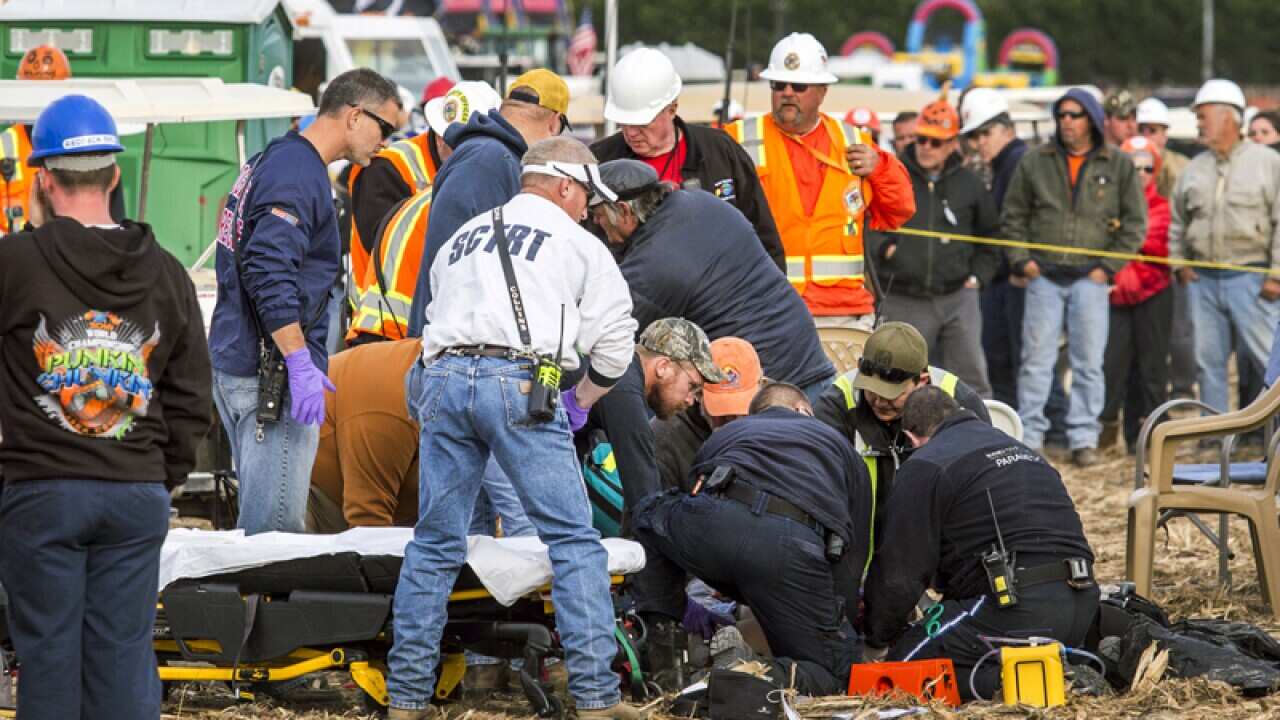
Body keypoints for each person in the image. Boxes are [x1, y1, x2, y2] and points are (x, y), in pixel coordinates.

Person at [387, 137, 645, 720]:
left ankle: (406, 698)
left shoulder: (460, 239)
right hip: (520, 383)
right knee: (576, 545)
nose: (589, 211)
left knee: (433, 545)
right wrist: (581, 398)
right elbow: (615, 342)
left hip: (444, 378)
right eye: (586, 198)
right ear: (564, 186)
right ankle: (598, 699)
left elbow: (432, 319)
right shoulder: (577, 243)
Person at [0, 94, 212, 720]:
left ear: (43, 178)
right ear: (114, 174)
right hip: (135, 491)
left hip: (42, 491)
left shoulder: (12, 264)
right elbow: (190, 393)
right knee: (122, 655)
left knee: (49, 656)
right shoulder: (169, 273)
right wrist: (158, 473)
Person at [209, 68, 400, 534]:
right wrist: (297, 360)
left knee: (261, 532)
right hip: (268, 377)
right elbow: (267, 264)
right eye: (386, 128)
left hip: (246, 364)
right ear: (355, 115)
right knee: (273, 540)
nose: (386, 144)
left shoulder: (278, 158)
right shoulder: (297, 172)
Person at [632, 382, 872, 697]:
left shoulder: (729, 434)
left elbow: (696, 490)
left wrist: (682, 598)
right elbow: (851, 561)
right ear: (803, 410)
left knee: (648, 516)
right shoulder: (838, 445)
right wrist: (831, 623)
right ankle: (749, 669)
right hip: (790, 543)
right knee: (833, 674)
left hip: (712, 520)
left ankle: (667, 659)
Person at [861, 387, 1098, 701]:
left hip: (1013, 607)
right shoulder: (1024, 451)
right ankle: (1075, 661)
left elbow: (899, 574)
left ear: (911, 437)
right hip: (1083, 605)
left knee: (897, 671)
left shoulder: (926, 464)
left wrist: (877, 638)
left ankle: (1012, 682)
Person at [592, 159, 835, 402]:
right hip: (806, 356)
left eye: (599, 214)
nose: (595, 222)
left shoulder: (656, 262)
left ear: (624, 210)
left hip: (761, 380)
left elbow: (613, 334)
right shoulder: (701, 202)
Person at [724, 32, 915, 329]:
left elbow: (900, 210)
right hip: (768, 306)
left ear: (823, 90)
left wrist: (880, 169)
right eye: (778, 85)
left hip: (844, 312)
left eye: (798, 85)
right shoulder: (737, 140)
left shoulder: (853, 141)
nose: (787, 92)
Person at [1001, 87, 1146, 466]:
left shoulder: (1118, 165)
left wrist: (1107, 268)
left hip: (1090, 279)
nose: (1067, 121)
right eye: (1062, 114)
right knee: (1036, 359)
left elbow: (1135, 225)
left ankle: (1083, 439)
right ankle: (1030, 438)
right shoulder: (1035, 161)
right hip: (1044, 276)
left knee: (1088, 362)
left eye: (1075, 114)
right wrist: (1023, 262)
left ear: (1093, 120)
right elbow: (1012, 217)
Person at [406, 69, 572, 336]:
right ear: (554, 123)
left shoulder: (487, 157)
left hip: (451, 346)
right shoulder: (491, 162)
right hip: (454, 352)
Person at [591, 48, 785, 270]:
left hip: (716, 298)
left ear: (672, 109)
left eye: (642, 123)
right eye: (623, 122)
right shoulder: (598, 163)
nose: (631, 132)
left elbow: (762, 236)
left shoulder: (719, 152)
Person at [346, 82, 502, 344]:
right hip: (382, 323)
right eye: (444, 135)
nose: (447, 142)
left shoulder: (475, 172)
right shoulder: (387, 167)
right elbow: (387, 251)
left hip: (434, 324)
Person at [868, 97, 999, 397]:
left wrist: (977, 276)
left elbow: (992, 236)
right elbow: (868, 222)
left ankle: (980, 439)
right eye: (921, 138)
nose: (926, 146)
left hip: (957, 296)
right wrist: (888, 251)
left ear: (953, 143)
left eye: (936, 142)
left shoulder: (970, 183)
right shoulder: (894, 174)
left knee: (972, 380)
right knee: (893, 379)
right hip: (903, 296)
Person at [1169, 79, 1280, 415]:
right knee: (1209, 363)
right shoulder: (1194, 168)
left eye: (1203, 115)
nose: (1199, 123)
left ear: (1228, 117)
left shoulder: (1268, 163)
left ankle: (1274, 436)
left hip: (1252, 277)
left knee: (1270, 362)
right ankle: (1214, 435)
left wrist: (1275, 274)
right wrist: (1181, 266)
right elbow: (1178, 222)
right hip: (1202, 279)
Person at [813, 322, 990, 512]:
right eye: (871, 390)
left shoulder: (960, 403)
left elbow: (982, 485)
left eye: (891, 394)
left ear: (921, 381)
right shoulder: (836, 406)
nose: (879, 402)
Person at [575, 317, 724, 529]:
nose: (691, 400)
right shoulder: (622, 388)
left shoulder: (619, 367)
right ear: (663, 366)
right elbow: (645, 500)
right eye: (691, 386)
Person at [1099, 137, 1174, 453]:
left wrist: (1121, 237)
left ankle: (1157, 434)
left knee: (1153, 368)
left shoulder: (1162, 207)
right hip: (1114, 296)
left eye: (1147, 166)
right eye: (1133, 165)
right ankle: (1115, 431)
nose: (1140, 172)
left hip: (1153, 294)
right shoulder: (1106, 203)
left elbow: (1152, 241)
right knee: (1113, 366)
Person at [961, 88, 1029, 408]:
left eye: (986, 133)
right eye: (975, 136)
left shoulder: (1017, 162)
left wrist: (1018, 265)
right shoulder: (1004, 164)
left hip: (1013, 277)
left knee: (1015, 357)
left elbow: (1015, 222)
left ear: (1007, 130)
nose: (980, 143)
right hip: (1003, 275)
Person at [1136, 96, 1196, 400]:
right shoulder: (1126, 161)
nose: (1149, 135)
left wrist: (1182, 260)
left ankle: (1183, 386)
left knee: (1182, 329)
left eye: (1154, 129)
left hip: (1173, 257)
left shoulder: (1184, 167)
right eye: (1143, 128)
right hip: (1142, 264)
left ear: (1165, 132)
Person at [651, 337, 766, 495]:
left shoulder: (779, 407)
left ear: (761, 387)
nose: (732, 421)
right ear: (698, 394)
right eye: (722, 413)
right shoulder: (664, 441)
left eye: (742, 408)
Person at [1136, 98, 1190, 199]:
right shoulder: (1124, 164)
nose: (1145, 136)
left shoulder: (1182, 167)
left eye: (1152, 131)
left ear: (1164, 135)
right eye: (1140, 130)